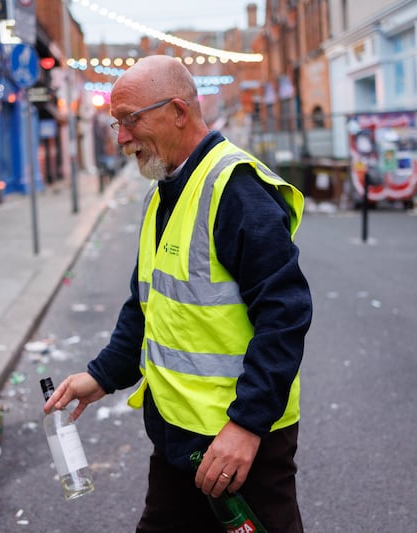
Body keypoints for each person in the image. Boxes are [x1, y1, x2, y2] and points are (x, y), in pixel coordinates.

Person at [43, 54, 312, 532]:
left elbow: (285, 314)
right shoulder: (166, 188)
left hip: (236, 445)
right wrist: (103, 375)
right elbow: (147, 303)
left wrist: (246, 426)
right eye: (115, 124)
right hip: (177, 436)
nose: (122, 138)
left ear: (179, 112)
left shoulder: (235, 189)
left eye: (130, 120)